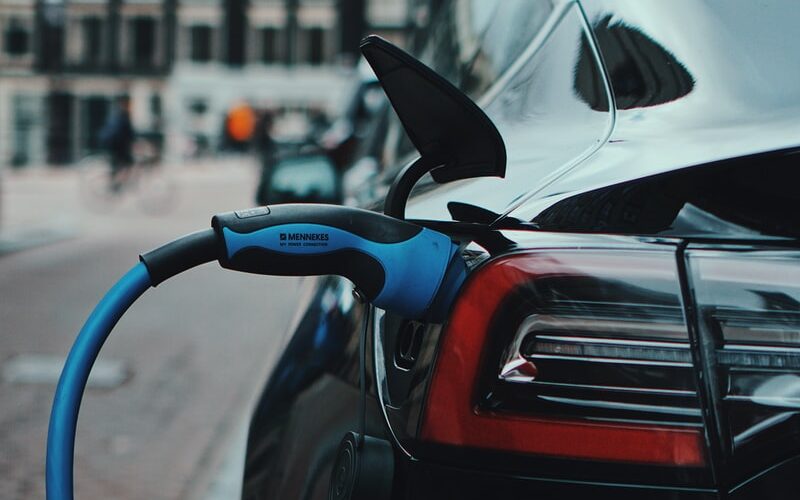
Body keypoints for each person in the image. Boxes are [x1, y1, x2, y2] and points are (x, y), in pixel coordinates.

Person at [99, 96, 135, 192]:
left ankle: (115, 183)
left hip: (114, 145)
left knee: (117, 165)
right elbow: (129, 133)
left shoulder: (117, 115)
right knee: (129, 163)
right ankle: (117, 184)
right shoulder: (124, 116)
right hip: (118, 146)